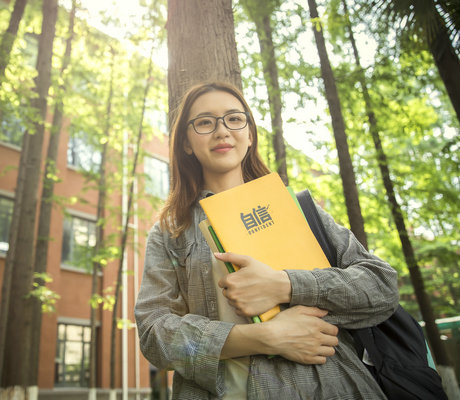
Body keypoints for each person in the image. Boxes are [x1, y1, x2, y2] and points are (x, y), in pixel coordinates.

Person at [134, 81, 399, 399]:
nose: (222, 131)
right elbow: (154, 332)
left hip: (334, 386)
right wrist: (262, 337)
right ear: (187, 143)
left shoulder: (297, 209)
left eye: (234, 118)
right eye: (205, 122)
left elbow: (381, 287)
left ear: (249, 135)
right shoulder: (169, 232)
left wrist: (284, 284)